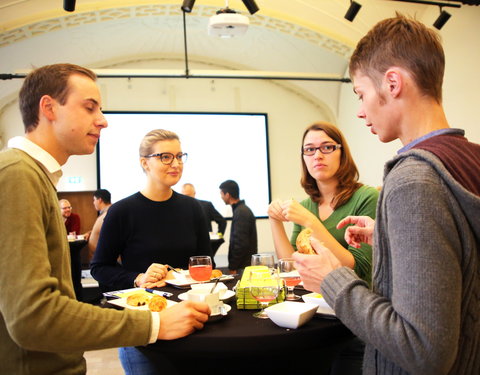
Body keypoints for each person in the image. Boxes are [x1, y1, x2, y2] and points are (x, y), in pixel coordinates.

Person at [293, 15, 480, 375]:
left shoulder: (413, 179)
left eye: (361, 94)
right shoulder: (468, 157)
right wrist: (387, 239)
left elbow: (423, 351)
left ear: (392, 83)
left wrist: (332, 280)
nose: (361, 111)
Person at [0, 63, 210, 375]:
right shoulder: (17, 174)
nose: (103, 121)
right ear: (48, 108)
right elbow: (34, 317)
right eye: (89, 108)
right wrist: (153, 322)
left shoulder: (33, 176)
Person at [90, 129, 213, 373]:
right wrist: (137, 278)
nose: (175, 163)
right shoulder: (122, 212)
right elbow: (99, 267)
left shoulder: (193, 208)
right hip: (144, 325)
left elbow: (203, 263)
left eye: (179, 156)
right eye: (165, 157)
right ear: (144, 162)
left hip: (189, 320)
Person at [268, 122, 378, 285]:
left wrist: (310, 222)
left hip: (354, 301)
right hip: (314, 300)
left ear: (342, 153)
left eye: (327, 147)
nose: (317, 156)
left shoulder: (367, 197)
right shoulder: (306, 205)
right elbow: (292, 266)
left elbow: (359, 269)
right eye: (310, 149)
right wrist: (274, 220)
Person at [219, 179, 257, 274]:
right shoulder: (241, 210)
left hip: (242, 267)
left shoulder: (241, 212)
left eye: (221, 194)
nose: (221, 197)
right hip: (243, 266)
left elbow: (240, 244)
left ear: (227, 195)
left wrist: (233, 267)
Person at [84, 188, 112, 261]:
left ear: (99, 200)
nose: (93, 203)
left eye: (94, 200)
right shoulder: (106, 213)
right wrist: (91, 232)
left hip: (105, 260)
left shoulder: (110, 213)